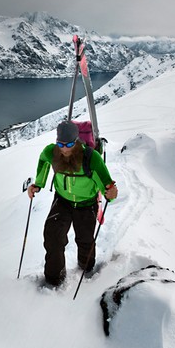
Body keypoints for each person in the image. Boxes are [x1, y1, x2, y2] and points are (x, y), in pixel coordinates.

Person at [27, 121, 118, 286]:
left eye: (69, 144)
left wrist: (111, 193)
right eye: (60, 144)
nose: (65, 148)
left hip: (86, 203)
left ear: (76, 141)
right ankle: (53, 279)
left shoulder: (91, 158)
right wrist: (38, 184)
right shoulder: (51, 152)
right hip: (62, 200)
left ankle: (86, 268)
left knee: (85, 239)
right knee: (52, 236)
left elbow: (106, 184)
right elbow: (43, 161)